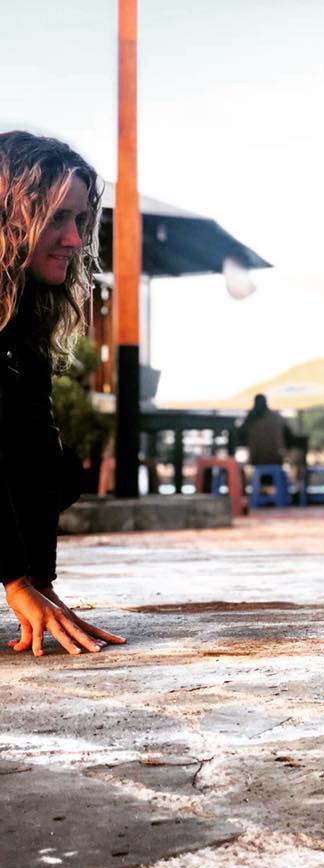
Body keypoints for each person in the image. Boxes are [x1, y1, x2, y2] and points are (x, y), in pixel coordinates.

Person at [0, 131, 125, 657]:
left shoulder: (26, 306)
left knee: (60, 463)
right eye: (55, 219)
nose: (75, 240)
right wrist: (14, 582)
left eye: (78, 221)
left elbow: (35, 436)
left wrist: (41, 580)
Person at [238, 393, 295, 465]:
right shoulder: (276, 417)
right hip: (275, 459)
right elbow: (289, 435)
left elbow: (241, 436)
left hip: (256, 459)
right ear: (266, 403)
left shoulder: (250, 419)